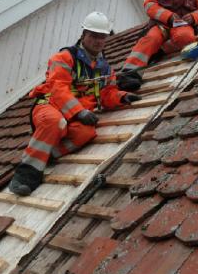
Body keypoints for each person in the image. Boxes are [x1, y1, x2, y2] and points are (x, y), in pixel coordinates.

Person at [9, 12, 141, 196]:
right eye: (93, 36)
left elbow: (106, 94)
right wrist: (79, 112)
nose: (98, 40)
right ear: (83, 35)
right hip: (50, 106)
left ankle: (44, 155)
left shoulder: (105, 68)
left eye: (102, 37)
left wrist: (122, 97)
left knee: (86, 133)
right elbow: (57, 88)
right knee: (54, 122)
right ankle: (26, 174)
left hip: (75, 114)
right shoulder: (63, 58)